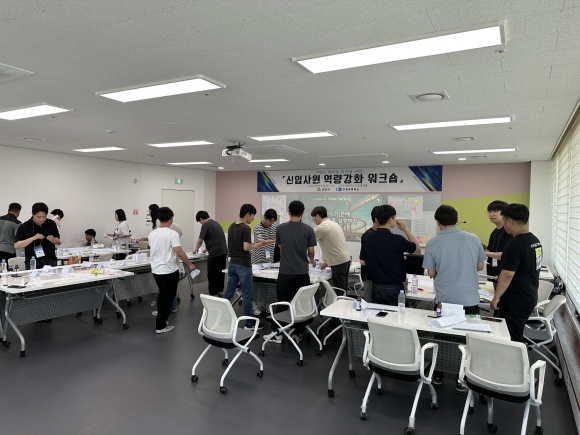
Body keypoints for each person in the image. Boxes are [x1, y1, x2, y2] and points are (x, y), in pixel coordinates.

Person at [422, 204, 486, 392]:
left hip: (444, 299)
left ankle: (438, 373)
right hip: (470, 299)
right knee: (466, 337)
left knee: (442, 337)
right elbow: (480, 267)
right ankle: (462, 377)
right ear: (457, 220)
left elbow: (431, 273)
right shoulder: (474, 238)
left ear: (437, 222)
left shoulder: (433, 243)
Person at [267, 200, 317, 344]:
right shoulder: (308, 229)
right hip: (302, 272)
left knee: (282, 302)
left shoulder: (280, 228)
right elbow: (311, 251)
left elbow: (281, 247)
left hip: (285, 272)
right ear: (302, 213)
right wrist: (311, 260)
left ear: (289, 212)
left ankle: (278, 333)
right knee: (300, 303)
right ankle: (297, 333)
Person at [491, 204, 542, 343]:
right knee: (515, 333)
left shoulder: (515, 244)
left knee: (512, 339)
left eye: (504, 220)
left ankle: (519, 357)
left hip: (516, 300)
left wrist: (496, 297)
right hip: (529, 295)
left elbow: (507, 274)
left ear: (510, 221)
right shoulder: (534, 240)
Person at [222, 204, 274, 330]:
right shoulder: (245, 228)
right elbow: (246, 247)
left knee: (228, 293)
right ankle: (249, 324)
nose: (253, 218)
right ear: (247, 214)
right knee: (247, 296)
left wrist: (253, 244)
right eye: (253, 216)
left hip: (232, 264)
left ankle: (221, 317)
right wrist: (257, 245)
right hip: (243, 265)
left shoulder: (231, 226)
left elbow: (238, 245)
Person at [360, 205, 420, 305]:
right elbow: (417, 250)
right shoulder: (397, 240)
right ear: (390, 220)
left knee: (379, 313)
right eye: (395, 218)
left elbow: (363, 260)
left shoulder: (367, 238)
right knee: (396, 314)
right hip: (394, 288)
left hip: (376, 287)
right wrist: (406, 229)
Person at [149, 207, 196, 334]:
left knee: (162, 296)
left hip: (156, 270)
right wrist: (190, 264)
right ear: (171, 218)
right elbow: (179, 251)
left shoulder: (152, 234)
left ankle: (162, 321)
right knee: (167, 298)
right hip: (169, 270)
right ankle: (161, 326)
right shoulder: (172, 234)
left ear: (159, 219)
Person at [311, 206, 351, 291]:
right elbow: (333, 245)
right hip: (346, 260)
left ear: (317, 215)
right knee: (343, 289)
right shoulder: (334, 224)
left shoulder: (321, 228)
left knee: (339, 291)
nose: (314, 220)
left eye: (314, 218)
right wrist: (327, 262)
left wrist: (311, 260)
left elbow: (308, 244)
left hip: (338, 262)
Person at [14, 202, 61, 269]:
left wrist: (53, 239)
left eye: (44, 217)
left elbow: (58, 241)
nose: (41, 219)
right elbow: (16, 245)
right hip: (32, 261)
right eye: (38, 217)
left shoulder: (51, 223)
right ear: (33, 214)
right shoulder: (24, 226)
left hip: (50, 260)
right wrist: (33, 238)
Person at [194, 211, 228, 296]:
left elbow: (200, 240)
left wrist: (196, 249)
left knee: (212, 274)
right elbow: (216, 238)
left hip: (215, 253)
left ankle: (213, 293)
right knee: (220, 273)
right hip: (223, 252)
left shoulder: (206, 225)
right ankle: (220, 291)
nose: (200, 223)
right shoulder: (216, 223)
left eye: (199, 221)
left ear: (201, 218)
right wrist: (208, 248)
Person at [484, 200, 513, 288]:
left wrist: (485, 253)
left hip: (505, 276)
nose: (491, 214)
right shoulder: (494, 232)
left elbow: (506, 255)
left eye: (495, 211)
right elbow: (490, 250)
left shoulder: (510, 232)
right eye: (489, 212)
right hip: (493, 275)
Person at [360, 205, 379, 301]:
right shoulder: (368, 235)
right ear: (376, 219)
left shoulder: (379, 234)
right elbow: (363, 261)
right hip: (370, 276)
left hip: (378, 277)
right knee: (369, 303)